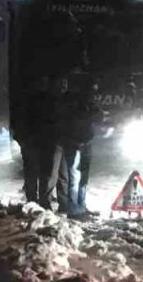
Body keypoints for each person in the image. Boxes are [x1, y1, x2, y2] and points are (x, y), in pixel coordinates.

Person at [56, 75, 103, 218]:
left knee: (83, 177)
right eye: (93, 86)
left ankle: (81, 206)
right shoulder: (70, 101)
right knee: (75, 176)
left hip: (85, 141)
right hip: (74, 143)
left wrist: (93, 109)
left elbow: (98, 117)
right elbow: (70, 121)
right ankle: (74, 209)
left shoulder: (88, 101)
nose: (95, 89)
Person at [19, 77, 60, 208]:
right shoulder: (52, 100)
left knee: (34, 172)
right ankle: (43, 201)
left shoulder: (26, 100)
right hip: (45, 141)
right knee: (45, 173)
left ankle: (32, 201)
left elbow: (20, 120)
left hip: (34, 140)